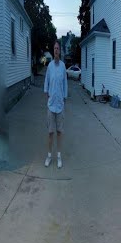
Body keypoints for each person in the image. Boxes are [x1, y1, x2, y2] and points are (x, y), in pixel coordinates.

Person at [43, 40, 68, 168]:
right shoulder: (50, 66)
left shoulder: (63, 66)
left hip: (60, 105)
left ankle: (59, 157)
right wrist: (47, 95)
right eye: (55, 48)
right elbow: (46, 82)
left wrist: (64, 99)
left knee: (59, 132)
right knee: (50, 132)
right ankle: (49, 156)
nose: (56, 50)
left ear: (60, 51)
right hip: (51, 105)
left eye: (58, 48)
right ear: (53, 51)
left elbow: (65, 84)